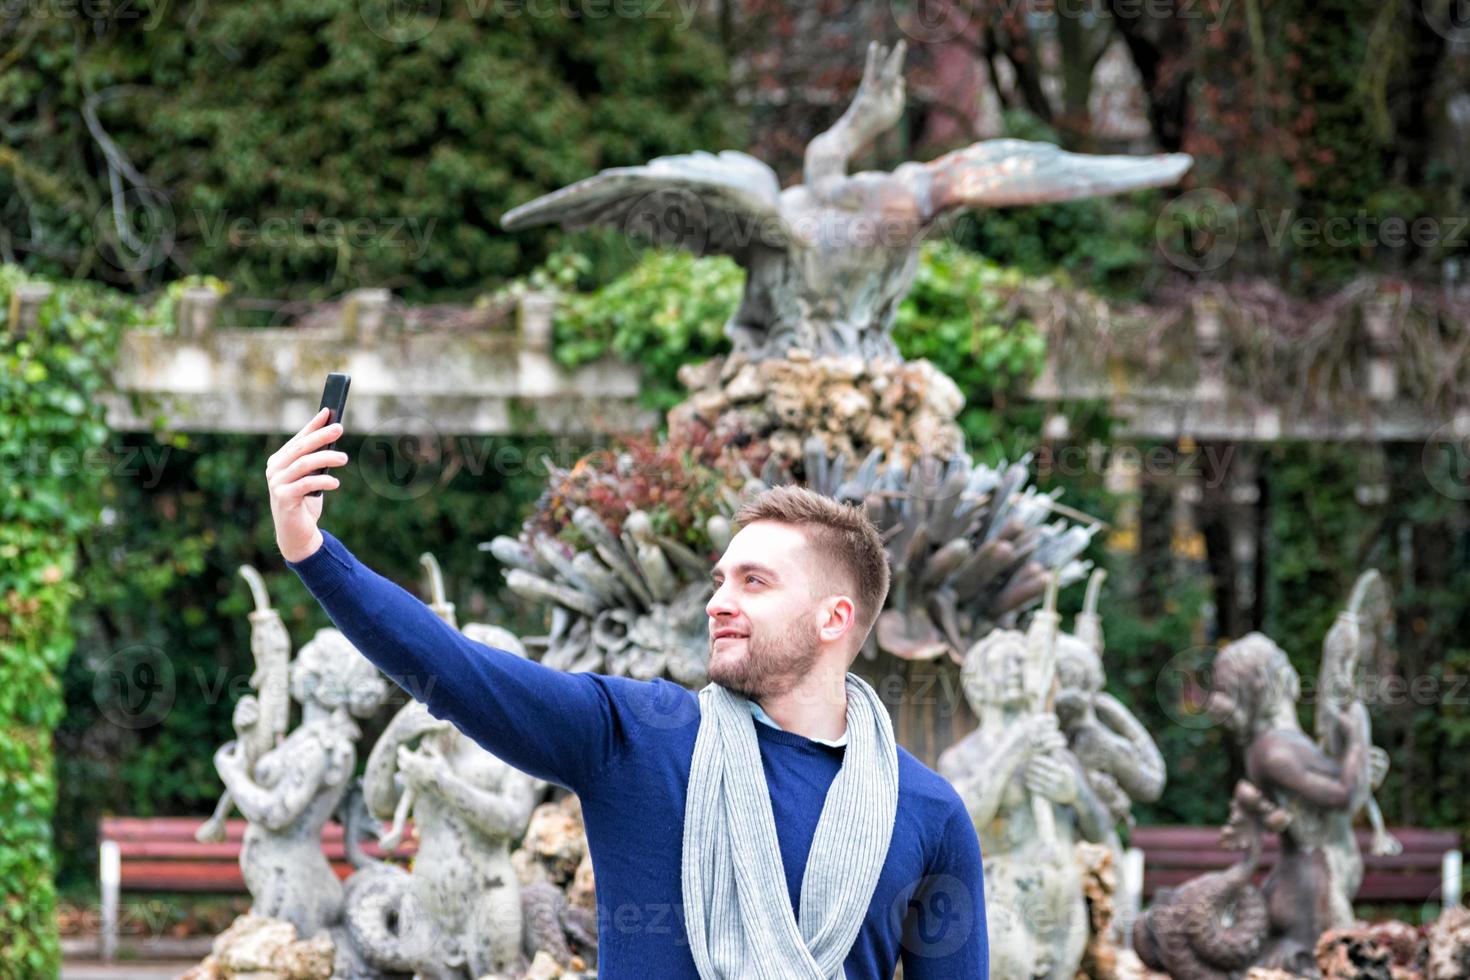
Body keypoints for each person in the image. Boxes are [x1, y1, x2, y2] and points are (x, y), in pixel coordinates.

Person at [266, 407, 988, 979]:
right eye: (720, 581)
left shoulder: (926, 812)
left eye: (754, 582)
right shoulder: (638, 736)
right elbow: (456, 671)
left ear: (835, 618)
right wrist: (313, 553)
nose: (718, 602)